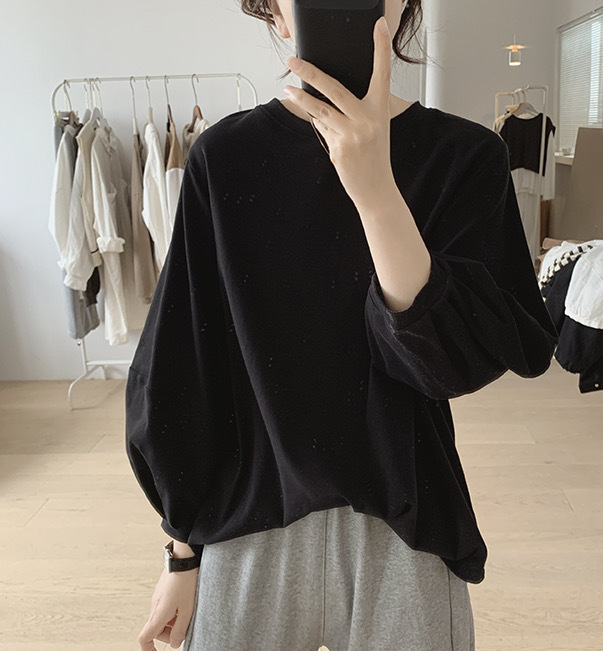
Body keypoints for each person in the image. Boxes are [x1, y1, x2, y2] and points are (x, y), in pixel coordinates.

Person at [125, 1, 558, 649]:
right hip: (248, 525)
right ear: (276, 15)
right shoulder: (225, 158)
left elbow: (449, 364)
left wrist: (376, 190)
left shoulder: (466, 157)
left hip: (405, 530)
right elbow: (183, 370)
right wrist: (180, 551)